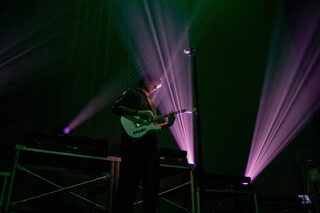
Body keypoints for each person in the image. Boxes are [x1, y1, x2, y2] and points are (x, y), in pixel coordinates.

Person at [112, 74, 176, 213]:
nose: (155, 87)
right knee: (128, 185)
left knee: (152, 187)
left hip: (151, 149)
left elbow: (151, 125)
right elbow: (116, 108)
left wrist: (167, 124)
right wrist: (137, 112)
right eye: (154, 84)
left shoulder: (151, 103)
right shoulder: (132, 93)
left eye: (158, 86)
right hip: (133, 147)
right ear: (146, 81)